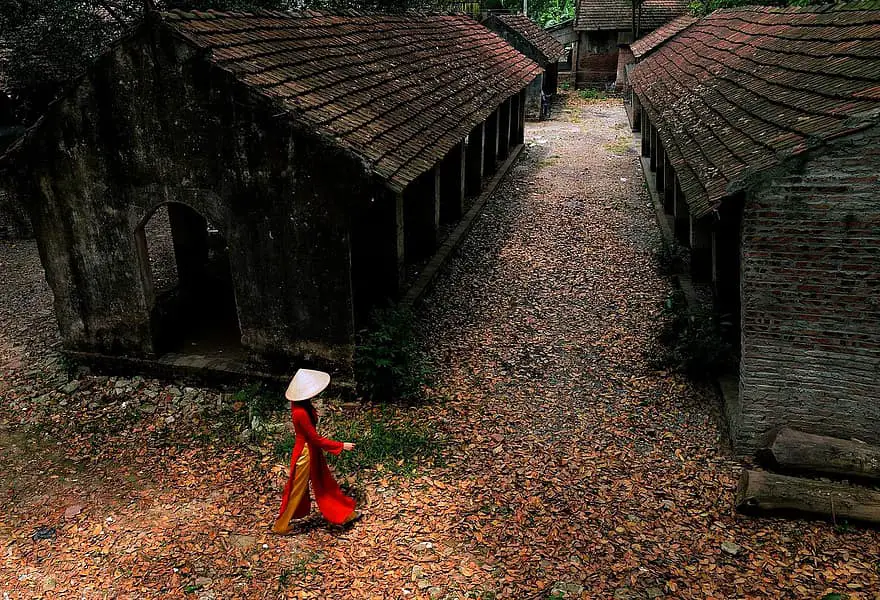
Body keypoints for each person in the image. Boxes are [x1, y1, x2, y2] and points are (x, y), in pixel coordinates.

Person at [273, 369, 358, 532]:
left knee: (325, 483)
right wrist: (340, 445)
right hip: (305, 453)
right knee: (297, 489)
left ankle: (345, 513)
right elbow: (315, 439)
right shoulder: (300, 412)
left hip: (311, 450)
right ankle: (281, 525)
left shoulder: (301, 405)